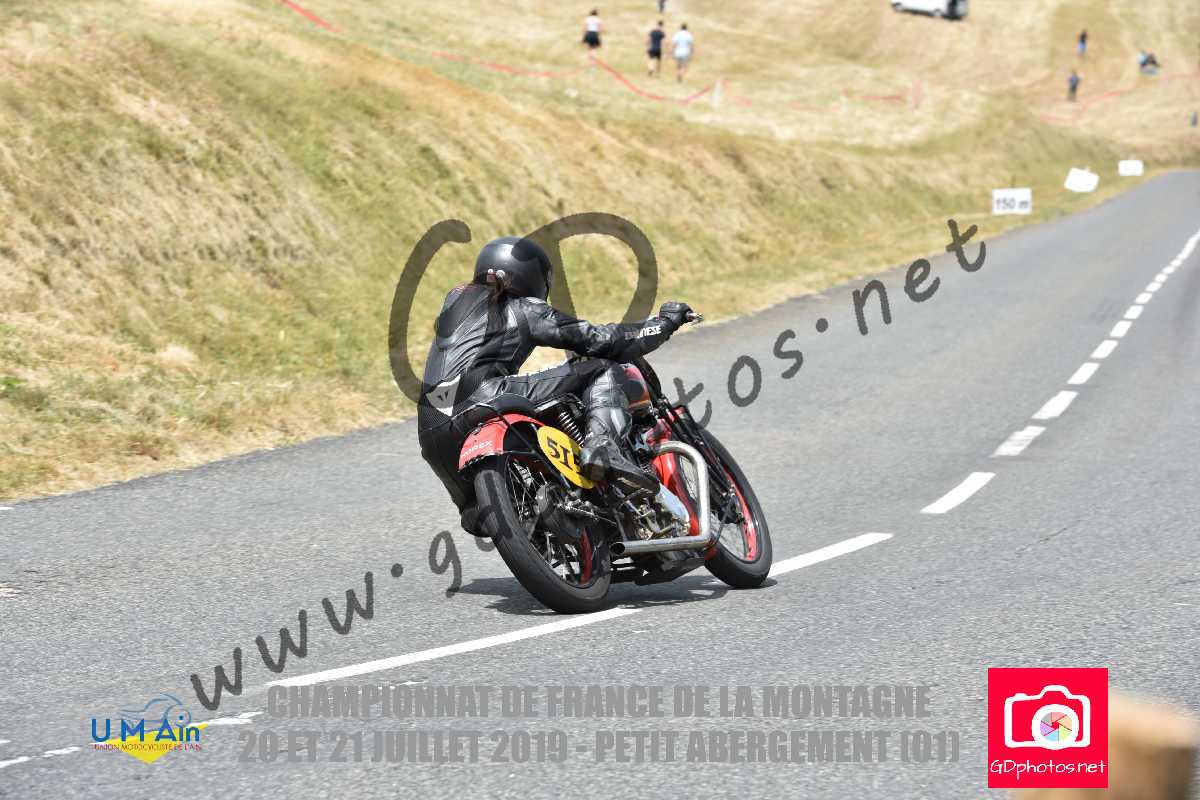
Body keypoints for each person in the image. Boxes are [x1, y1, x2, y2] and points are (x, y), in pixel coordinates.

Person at [417, 237, 693, 532]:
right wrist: (664, 324)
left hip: (432, 427)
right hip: (484, 397)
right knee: (601, 369)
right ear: (531, 277)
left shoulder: (454, 302)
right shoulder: (524, 308)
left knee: (485, 515)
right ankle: (603, 445)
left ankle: (554, 525)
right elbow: (602, 340)